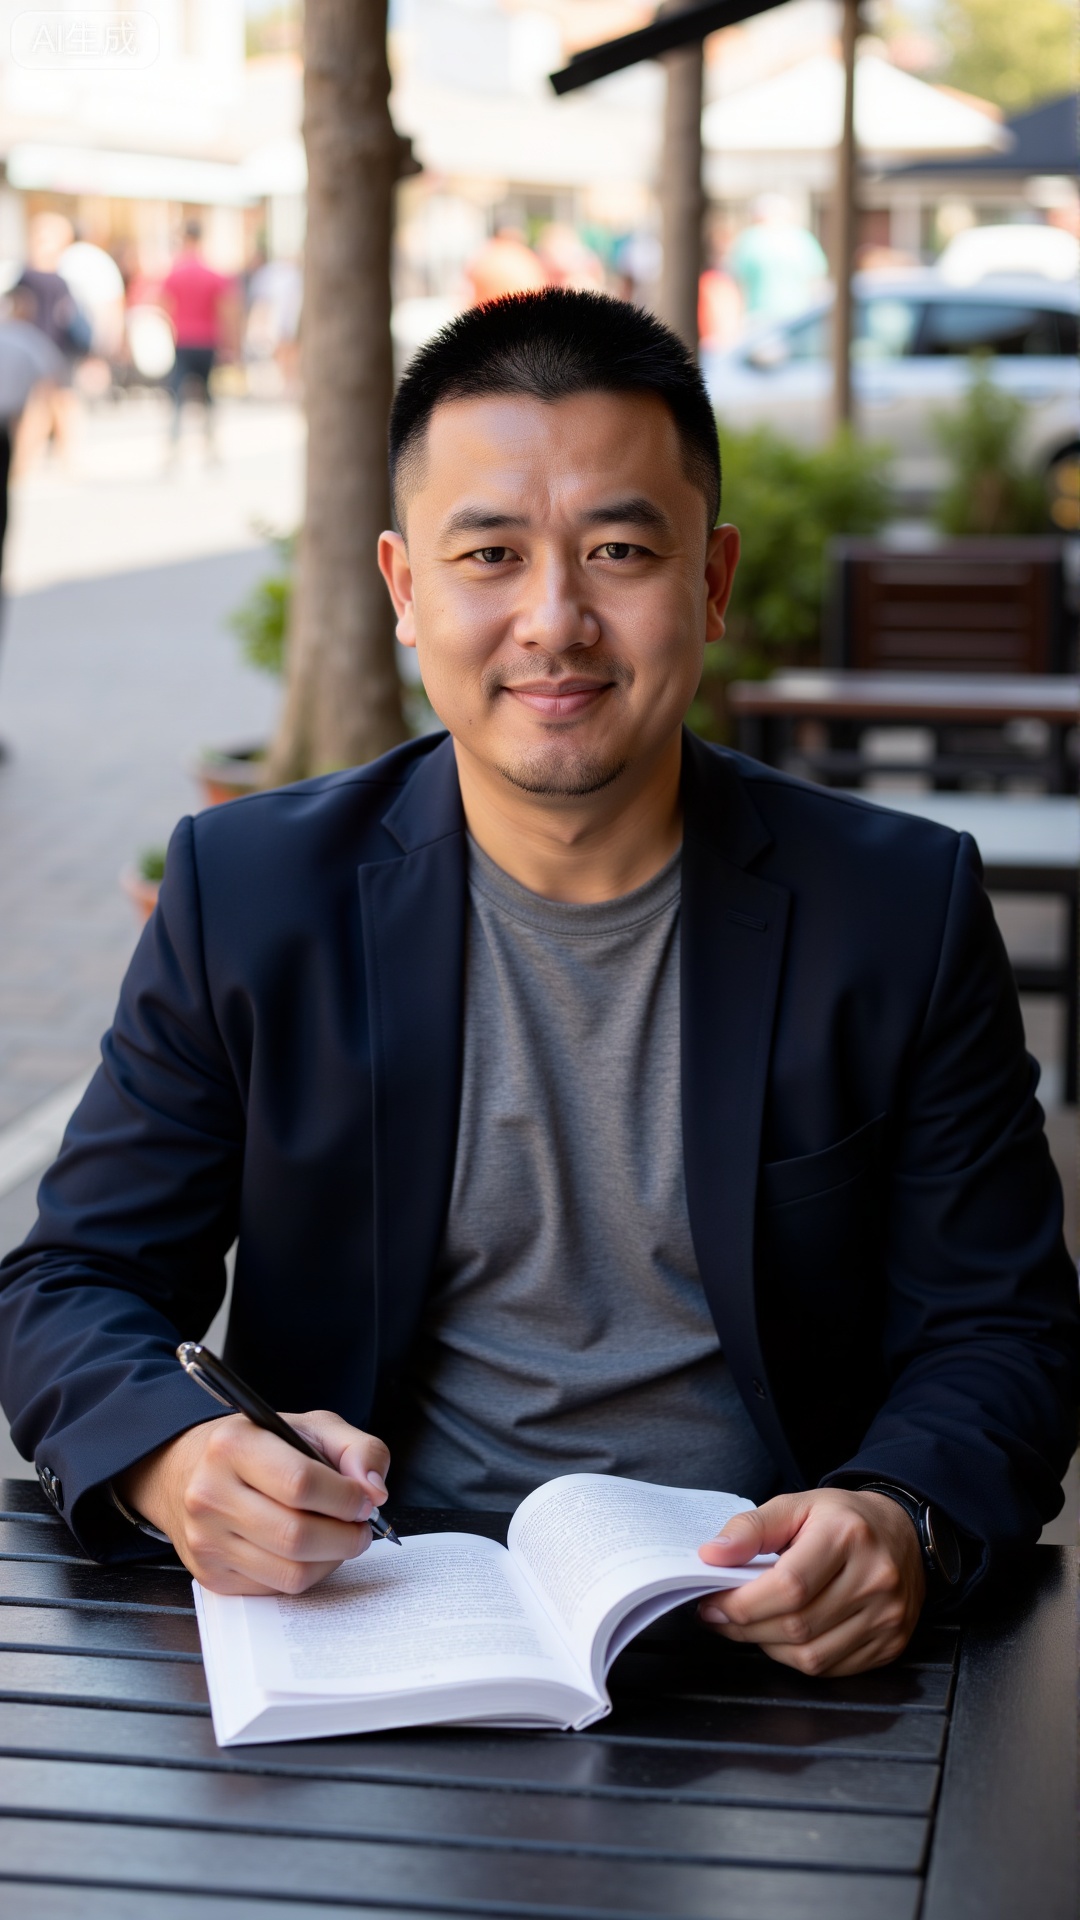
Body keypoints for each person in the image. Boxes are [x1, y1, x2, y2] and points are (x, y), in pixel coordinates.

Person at [1, 291, 1076, 1681]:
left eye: (620, 549)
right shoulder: (255, 892)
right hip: (369, 1620)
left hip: (764, 1636)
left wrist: (903, 1517)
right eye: (490, 554)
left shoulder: (897, 909)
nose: (555, 621)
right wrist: (174, 1455)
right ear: (403, 588)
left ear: (713, 578)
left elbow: (1005, 1330)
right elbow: (71, 1281)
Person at [160, 219, 236, 460]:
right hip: (207, 340)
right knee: (208, 395)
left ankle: (173, 449)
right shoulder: (213, 273)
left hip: (183, 340)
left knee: (177, 395)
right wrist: (230, 343)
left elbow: (164, 306)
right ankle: (212, 448)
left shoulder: (175, 272)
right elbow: (228, 310)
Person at [727, 194, 828, 321]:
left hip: (760, 318)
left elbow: (737, 284)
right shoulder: (802, 238)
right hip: (799, 320)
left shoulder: (750, 239)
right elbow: (817, 282)